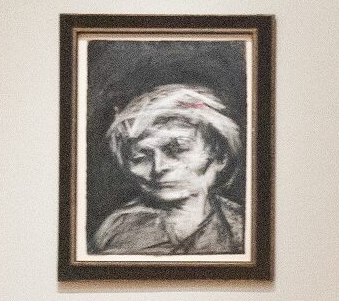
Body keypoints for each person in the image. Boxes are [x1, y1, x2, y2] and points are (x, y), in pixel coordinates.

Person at [91, 85, 246, 255]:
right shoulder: (117, 232)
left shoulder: (242, 225)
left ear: (219, 156)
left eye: (178, 149)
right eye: (141, 157)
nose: (159, 167)